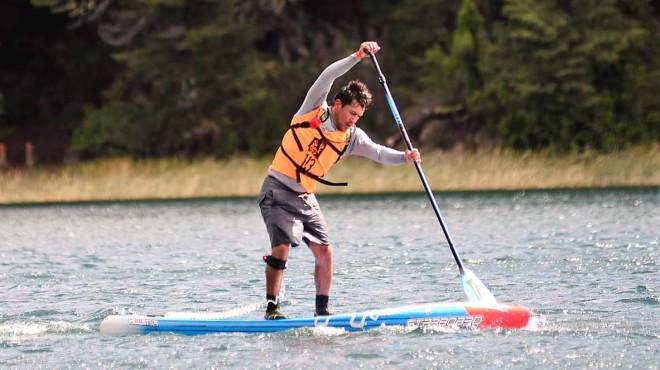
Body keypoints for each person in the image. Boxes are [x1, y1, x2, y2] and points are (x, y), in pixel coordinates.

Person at [258, 41, 421, 320]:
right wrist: (357, 57)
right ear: (337, 104)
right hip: (277, 189)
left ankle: (322, 313)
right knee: (282, 248)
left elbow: (379, 153)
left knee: (325, 252)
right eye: (350, 113)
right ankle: (272, 308)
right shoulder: (313, 110)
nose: (353, 120)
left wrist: (405, 157)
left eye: (358, 116)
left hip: (306, 197)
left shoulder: (352, 137)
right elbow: (327, 76)